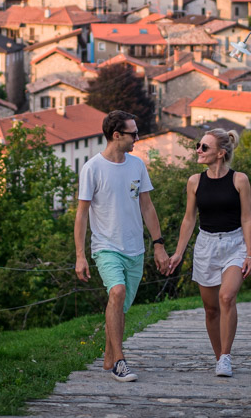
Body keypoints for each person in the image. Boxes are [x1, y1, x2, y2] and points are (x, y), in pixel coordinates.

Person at [74, 109, 170, 382]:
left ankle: (108, 354)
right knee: (116, 293)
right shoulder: (92, 168)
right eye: (133, 133)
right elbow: (81, 213)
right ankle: (119, 361)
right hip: (106, 246)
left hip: (135, 249)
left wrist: (158, 245)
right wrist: (80, 255)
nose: (137, 138)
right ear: (116, 135)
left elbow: (147, 206)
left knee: (120, 306)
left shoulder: (137, 165)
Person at [167, 128, 251, 378]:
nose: (198, 150)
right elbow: (188, 219)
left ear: (220, 153)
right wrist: (178, 253)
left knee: (227, 297)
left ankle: (226, 356)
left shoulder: (240, 180)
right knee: (210, 309)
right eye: (198, 145)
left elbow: (246, 219)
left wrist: (249, 254)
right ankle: (219, 357)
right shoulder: (194, 181)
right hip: (206, 246)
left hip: (234, 244)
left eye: (204, 147)